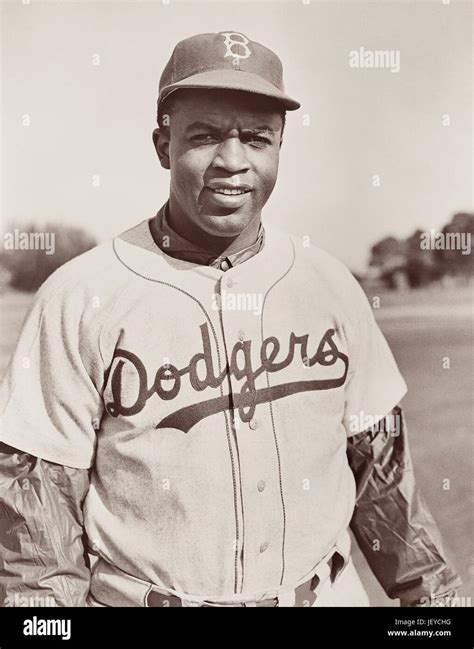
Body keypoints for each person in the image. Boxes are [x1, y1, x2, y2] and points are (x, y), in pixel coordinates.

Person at [0, 31, 460, 608]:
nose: (233, 162)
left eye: (256, 138)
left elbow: (384, 482)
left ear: (278, 149)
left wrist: (439, 608)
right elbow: (36, 533)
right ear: (162, 145)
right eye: (206, 135)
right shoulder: (80, 296)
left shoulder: (329, 284)